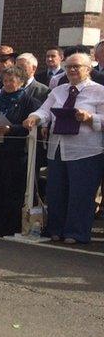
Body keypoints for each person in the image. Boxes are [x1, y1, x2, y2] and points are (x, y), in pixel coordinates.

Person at [23, 52, 104, 244]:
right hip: (58, 148)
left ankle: (76, 233)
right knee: (56, 191)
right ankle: (55, 229)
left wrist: (90, 118)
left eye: (77, 67)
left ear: (88, 69)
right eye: (69, 67)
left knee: (81, 193)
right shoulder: (59, 91)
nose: (72, 70)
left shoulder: (99, 91)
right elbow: (45, 110)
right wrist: (34, 117)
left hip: (85, 151)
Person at [0, 66, 43, 237]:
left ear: (21, 82)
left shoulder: (30, 102)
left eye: (12, 80)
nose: (8, 84)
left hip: (14, 153)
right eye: (5, 80)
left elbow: (29, 128)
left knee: (12, 189)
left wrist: (10, 129)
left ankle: (10, 225)